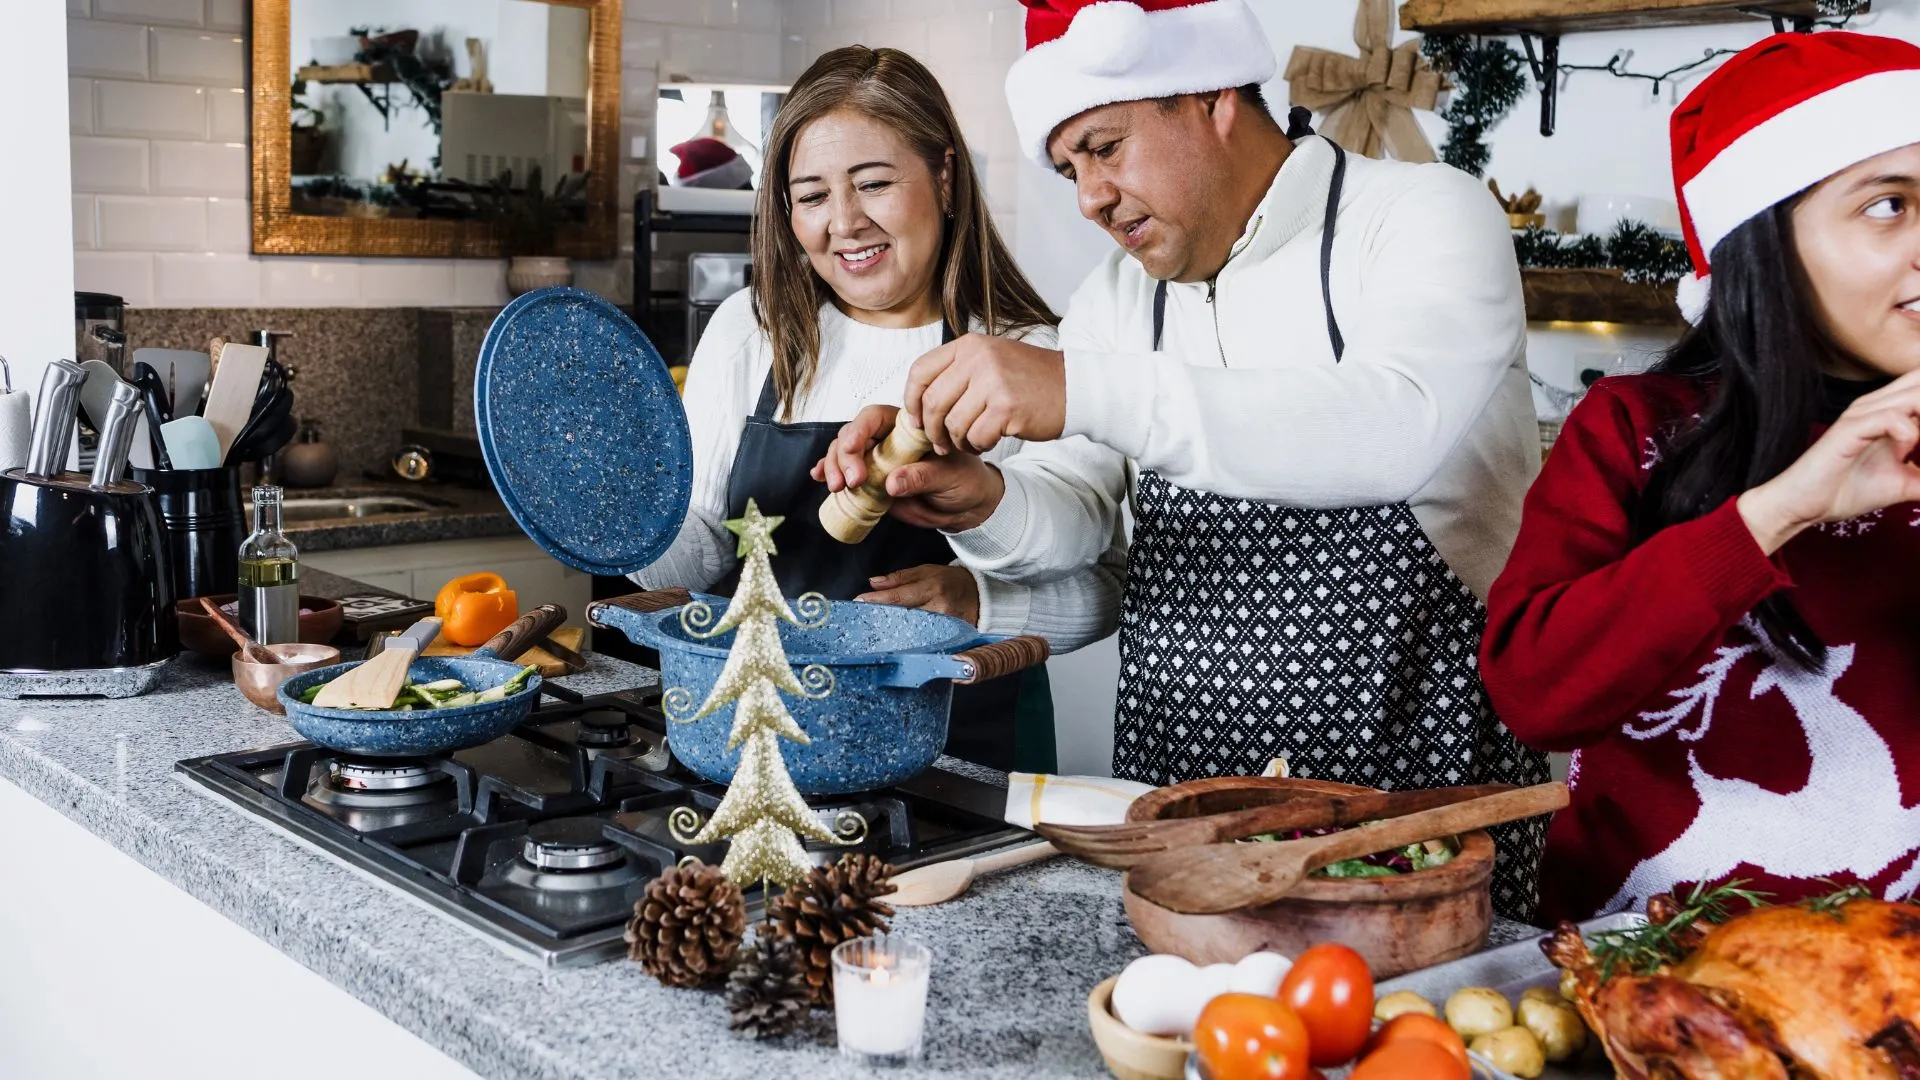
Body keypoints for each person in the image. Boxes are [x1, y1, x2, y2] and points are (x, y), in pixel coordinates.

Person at [816, 0, 1550, 918]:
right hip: (1177, 797)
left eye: (1105, 146)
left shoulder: (1419, 216)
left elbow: (1393, 430)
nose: (1088, 196)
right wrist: (983, 498)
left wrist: (1082, 388)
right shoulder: (1120, 299)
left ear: (1212, 98)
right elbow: (1079, 518)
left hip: (1411, 790)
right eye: (1068, 167)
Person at [1481, 31, 1920, 924]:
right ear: (1764, 240)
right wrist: (1777, 512)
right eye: (1888, 206)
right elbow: (1534, 696)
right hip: (1649, 978)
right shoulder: (1638, 429)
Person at [631, 45, 1125, 774]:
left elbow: (1110, 586)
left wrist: (978, 600)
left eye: (873, 183)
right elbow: (703, 559)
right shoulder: (753, 329)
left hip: (966, 755)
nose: (845, 222)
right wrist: (625, 523)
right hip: (763, 742)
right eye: (812, 196)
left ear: (947, 179)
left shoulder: (1029, 355)